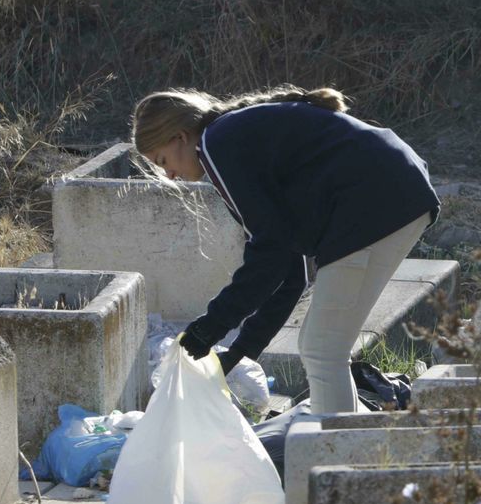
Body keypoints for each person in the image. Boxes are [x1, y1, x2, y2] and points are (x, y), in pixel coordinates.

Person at [131, 86, 440, 414]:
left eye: (163, 161)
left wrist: (211, 325)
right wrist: (239, 351)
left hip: (374, 199)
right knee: (323, 348)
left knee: (323, 350)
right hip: (392, 188)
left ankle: (334, 456)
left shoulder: (216, 144)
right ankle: (339, 447)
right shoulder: (231, 136)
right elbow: (288, 270)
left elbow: (270, 252)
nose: (170, 175)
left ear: (180, 137)